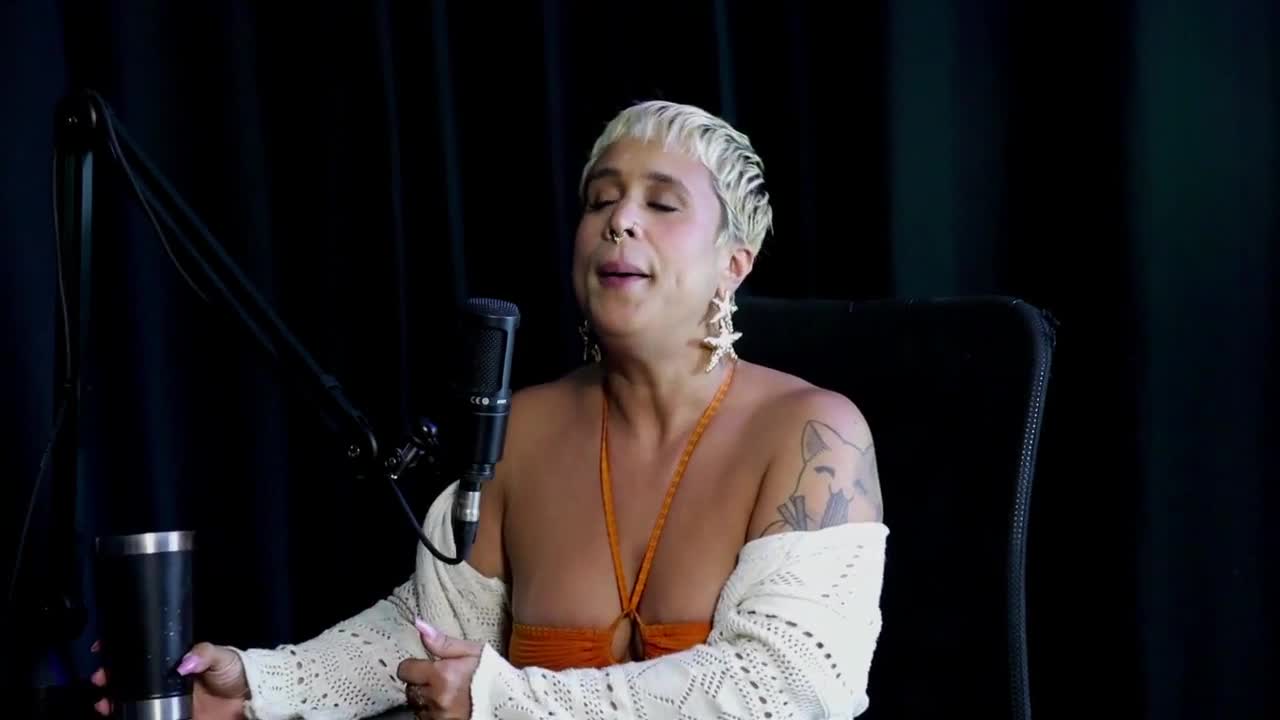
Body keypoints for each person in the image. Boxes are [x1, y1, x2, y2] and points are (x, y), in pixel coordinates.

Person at [92, 99, 889, 719]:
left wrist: (508, 701)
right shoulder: (521, 429)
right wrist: (260, 685)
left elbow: (790, 684)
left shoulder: (812, 434)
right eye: (601, 200)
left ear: (733, 263)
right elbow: (429, 634)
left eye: (662, 204)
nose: (619, 220)